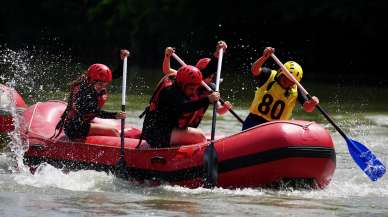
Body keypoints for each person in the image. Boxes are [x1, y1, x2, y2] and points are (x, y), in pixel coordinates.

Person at [141, 65, 220, 148]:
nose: (193, 92)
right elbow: (185, 107)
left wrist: (215, 57)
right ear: (182, 84)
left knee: (197, 134)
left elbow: (207, 71)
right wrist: (207, 100)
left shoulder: (179, 83)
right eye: (191, 89)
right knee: (200, 136)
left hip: (164, 130)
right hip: (156, 134)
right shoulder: (170, 92)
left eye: (195, 89)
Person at [242, 47, 319, 130]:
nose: (287, 82)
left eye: (291, 81)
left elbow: (308, 108)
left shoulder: (296, 89)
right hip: (254, 120)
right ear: (280, 73)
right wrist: (264, 57)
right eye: (285, 78)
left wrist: (313, 103)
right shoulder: (269, 75)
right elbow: (254, 70)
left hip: (278, 127)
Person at [53, 54, 128, 140]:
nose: (103, 87)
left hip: (82, 123)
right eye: (100, 84)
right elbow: (95, 111)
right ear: (92, 81)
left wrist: (123, 61)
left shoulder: (91, 81)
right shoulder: (84, 93)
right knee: (113, 132)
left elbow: (115, 74)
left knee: (111, 130)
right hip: (75, 128)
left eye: (105, 84)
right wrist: (115, 115)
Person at [161, 41, 232, 128]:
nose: (208, 78)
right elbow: (167, 71)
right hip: (176, 127)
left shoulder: (211, 89)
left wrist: (225, 108)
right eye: (206, 75)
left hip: (190, 129)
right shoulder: (186, 78)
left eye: (211, 76)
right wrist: (167, 56)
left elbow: (219, 110)